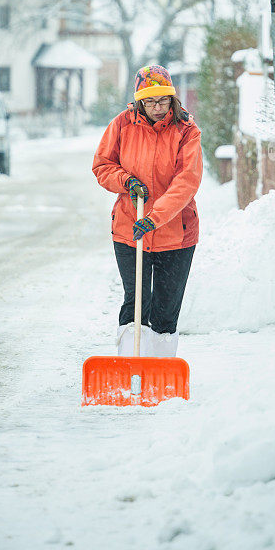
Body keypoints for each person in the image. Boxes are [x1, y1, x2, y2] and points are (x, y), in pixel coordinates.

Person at [92, 64, 203, 357]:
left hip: (175, 233)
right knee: (136, 301)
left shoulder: (186, 131)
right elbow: (102, 165)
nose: (157, 107)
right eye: (150, 101)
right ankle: (131, 365)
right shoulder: (122, 125)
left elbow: (187, 181)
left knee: (166, 307)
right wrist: (126, 181)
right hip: (130, 229)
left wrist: (154, 218)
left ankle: (161, 369)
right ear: (139, 99)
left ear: (172, 99)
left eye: (163, 100)